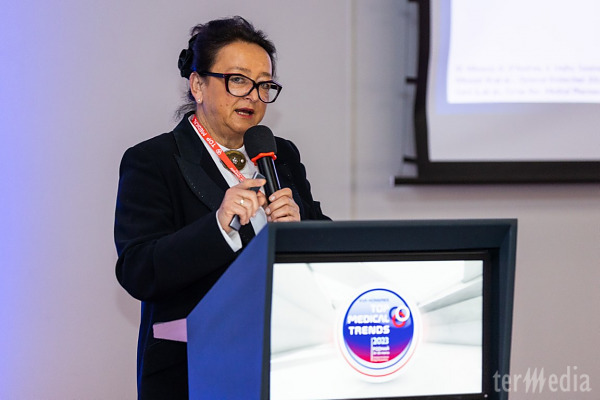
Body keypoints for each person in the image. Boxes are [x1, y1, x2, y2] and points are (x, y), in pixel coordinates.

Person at [114, 16, 328, 399]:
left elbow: (327, 244)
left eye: (264, 84)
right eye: (238, 80)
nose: (253, 96)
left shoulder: (281, 155)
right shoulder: (153, 160)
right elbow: (139, 269)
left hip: (285, 362)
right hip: (192, 369)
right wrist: (218, 226)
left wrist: (302, 227)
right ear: (198, 84)